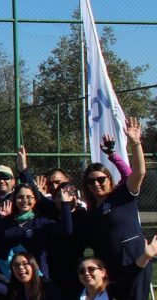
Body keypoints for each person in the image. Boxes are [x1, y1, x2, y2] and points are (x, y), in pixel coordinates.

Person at [73, 117, 149, 299]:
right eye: (91, 181)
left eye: (101, 179)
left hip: (135, 261)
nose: (96, 184)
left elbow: (139, 172)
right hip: (108, 269)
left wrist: (135, 143)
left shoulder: (122, 196)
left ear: (109, 180)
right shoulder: (89, 212)